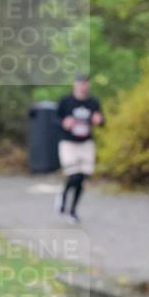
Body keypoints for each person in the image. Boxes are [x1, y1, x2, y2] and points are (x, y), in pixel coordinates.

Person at [55, 73, 104, 223]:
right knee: (74, 175)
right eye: (80, 83)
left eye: (86, 83)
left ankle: (72, 210)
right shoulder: (66, 101)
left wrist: (100, 121)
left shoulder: (93, 102)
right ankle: (63, 196)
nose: (83, 86)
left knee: (82, 179)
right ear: (75, 84)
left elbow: (101, 121)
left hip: (86, 144)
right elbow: (54, 120)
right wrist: (64, 122)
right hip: (69, 143)